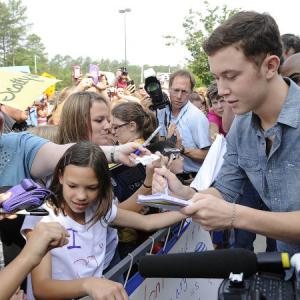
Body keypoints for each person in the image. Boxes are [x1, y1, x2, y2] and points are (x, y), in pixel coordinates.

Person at [152, 11, 300, 256]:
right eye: (217, 78)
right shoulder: (241, 127)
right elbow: (224, 190)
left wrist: (236, 215)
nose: (221, 90)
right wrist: (183, 194)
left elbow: (231, 210)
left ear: (271, 66)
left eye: (231, 76)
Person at [22, 142, 184, 299]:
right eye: (73, 186)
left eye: (91, 188)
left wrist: (189, 210)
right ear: (61, 177)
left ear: (102, 185)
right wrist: (88, 284)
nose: (81, 196)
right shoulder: (41, 217)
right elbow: (41, 287)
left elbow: (147, 223)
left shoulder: (99, 209)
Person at [156, 70, 211, 177]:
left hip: (190, 179)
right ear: (169, 89)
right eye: (176, 90)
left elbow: (209, 155)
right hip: (167, 176)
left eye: (184, 91)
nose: (179, 96)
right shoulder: (163, 112)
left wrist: (181, 149)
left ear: (191, 92)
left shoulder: (196, 117)